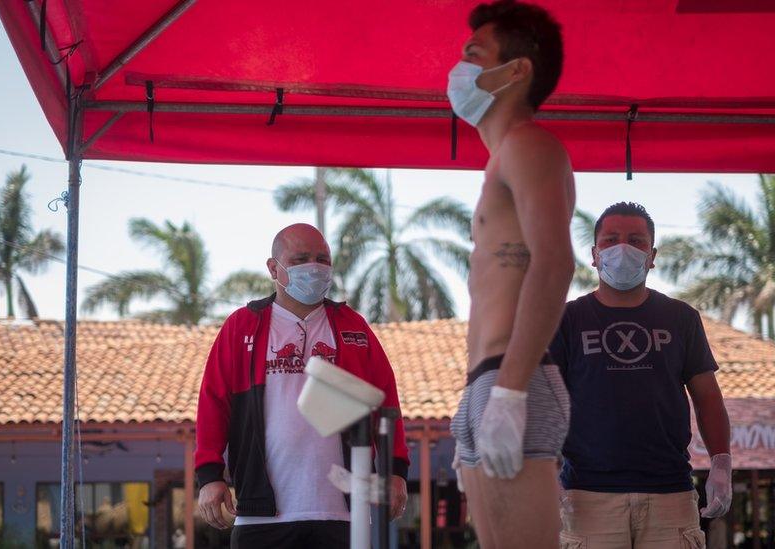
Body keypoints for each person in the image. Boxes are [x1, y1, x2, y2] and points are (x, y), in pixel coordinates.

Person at [194, 223, 410, 549]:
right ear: (273, 268)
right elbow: (213, 403)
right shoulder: (242, 326)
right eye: (301, 258)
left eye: (323, 258)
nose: (316, 267)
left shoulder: (353, 326)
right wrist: (210, 476)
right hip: (262, 515)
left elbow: (386, 402)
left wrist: (396, 471)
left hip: (346, 515)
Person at [446, 2, 575, 548]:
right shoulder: (501, 159)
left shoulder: (529, 145)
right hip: (487, 381)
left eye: (475, 54)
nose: (460, 68)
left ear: (516, 70)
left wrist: (511, 393)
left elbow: (554, 263)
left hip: (510, 378)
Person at [549, 202, 733, 549]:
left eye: (636, 241)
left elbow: (708, 397)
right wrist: (543, 471)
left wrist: (721, 462)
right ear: (594, 253)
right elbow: (546, 401)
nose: (623, 249)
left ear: (652, 255)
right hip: (588, 496)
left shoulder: (681, 318)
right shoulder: (567, 320)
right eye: (611, 240)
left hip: (670, 495)